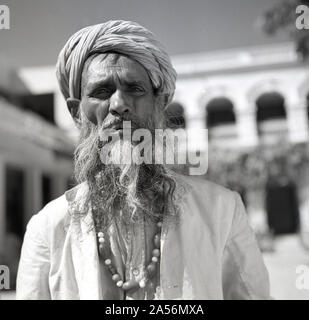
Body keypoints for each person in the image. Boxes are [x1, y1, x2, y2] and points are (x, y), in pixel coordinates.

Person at [16, 20, 270, 300]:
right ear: (76, 113)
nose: (118, 104)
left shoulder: (221, 210)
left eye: (135, 89)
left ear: (160, 104)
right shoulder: (47, 228)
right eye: (101, 91)